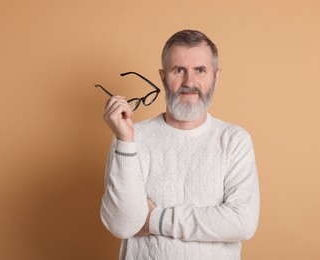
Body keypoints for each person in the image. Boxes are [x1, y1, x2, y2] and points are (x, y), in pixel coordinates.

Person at [100, 29, 260, 260]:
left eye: (200, 70)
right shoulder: (133, 138)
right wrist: (125, 141)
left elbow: (242, 222)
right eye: (179, 70)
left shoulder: (234, 140)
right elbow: (121, 225)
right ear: (163, 77)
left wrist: (156, 219)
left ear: (216, 76)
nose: (189, 82)